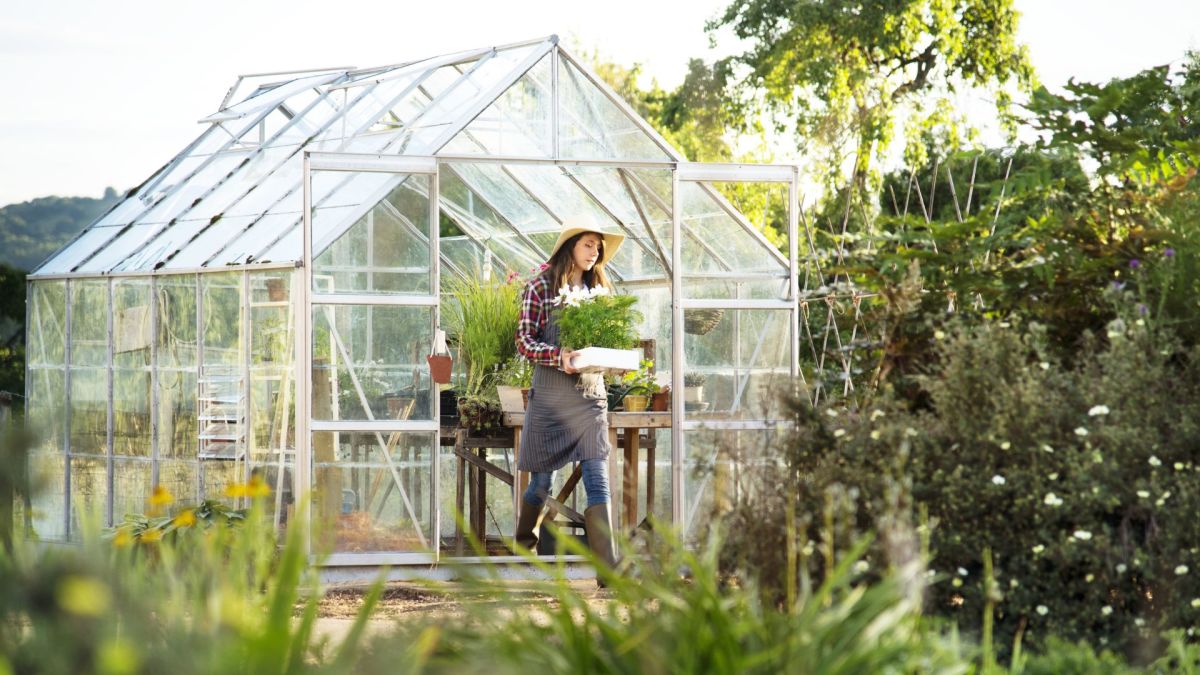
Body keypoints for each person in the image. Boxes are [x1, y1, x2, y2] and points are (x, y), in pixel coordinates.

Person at [513, 214, 624, 574]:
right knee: (542, 482)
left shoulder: (600, 291)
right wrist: (558, 355)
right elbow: (524, 341)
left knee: (597, 473)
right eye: (588, 244)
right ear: (570, 246)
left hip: (590, 398)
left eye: (598, 246)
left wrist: (614, 362)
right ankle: (524, 544)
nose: (595, 252)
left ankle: (608, 570)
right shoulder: (541, 286)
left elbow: (609, 340)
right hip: (550, 399)